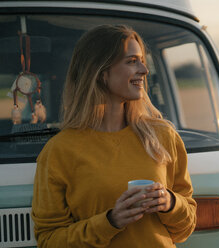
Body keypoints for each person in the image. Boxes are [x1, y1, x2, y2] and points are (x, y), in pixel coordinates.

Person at [31, 24, 197, 247]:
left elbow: (186, 226)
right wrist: (110, 222)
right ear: (100, 73)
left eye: (142, 61)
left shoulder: (163, 136)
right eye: (131, 61)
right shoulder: (58, 152)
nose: (144, 70)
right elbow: (49, 241)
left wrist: (170, 203)